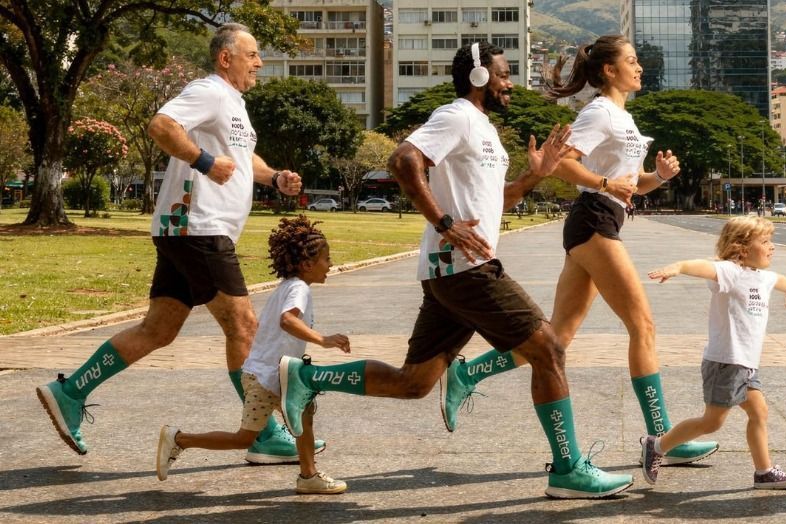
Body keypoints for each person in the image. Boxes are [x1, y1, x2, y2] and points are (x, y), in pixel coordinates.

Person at [275, 42, 634, 499]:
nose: (510, 84)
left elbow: (493, 202)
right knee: (549, 351)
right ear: (480, 77)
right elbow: (403, 160)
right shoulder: (457, 116)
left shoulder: (483, 129)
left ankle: (308, 378)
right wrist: (443, 222)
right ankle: (568, 470)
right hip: (468, 269)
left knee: (415, 383)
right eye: (504, 75)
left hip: (450, 273)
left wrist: (534, 175)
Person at [35, 23, 323, 465]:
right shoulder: (208, 90)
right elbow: (161, 125)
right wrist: (205, 162)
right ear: (226, 58)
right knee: (244, 327)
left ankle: (70, 391)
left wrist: (275, 177)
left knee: (158, 330)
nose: (259, 63)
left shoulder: (235, 106)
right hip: (198, 226)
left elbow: (244, 159)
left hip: (187, 229)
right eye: (252, 54)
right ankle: (263, 433)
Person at [435, 35, 718, 466]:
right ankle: (663, 440)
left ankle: (467, 372)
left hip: (601, 218)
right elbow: (563, 161)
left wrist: (656, 178)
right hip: (594, 220)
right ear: (609, 70)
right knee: (643, 325)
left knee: (559, 338)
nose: (639, 67)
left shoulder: (622, 116)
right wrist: (606, 184)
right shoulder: (600, 112)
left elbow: (631, 183)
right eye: (632, 60)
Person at [156, 216, 349, 494]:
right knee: (244, 438)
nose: (330, 264)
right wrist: (323, 340)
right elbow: (288, 321)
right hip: (266, 377)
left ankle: (309, 476)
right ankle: (180, 439)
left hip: (277, 374)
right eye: (326, 258)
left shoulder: (288, 285)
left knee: (305, 416)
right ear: (307, 264)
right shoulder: (299, 289)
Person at [640, 216, 786, 490]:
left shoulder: (763, 277)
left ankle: (764, 472)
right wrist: (679, 267)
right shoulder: (732, 272)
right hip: (725, 361)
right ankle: (657, 445)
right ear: (742, 248)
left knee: (759, 412)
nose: (772, 247)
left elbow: (781, 281)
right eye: (765, 241)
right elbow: (706, 267)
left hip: (747, 363)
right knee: (712, 422)